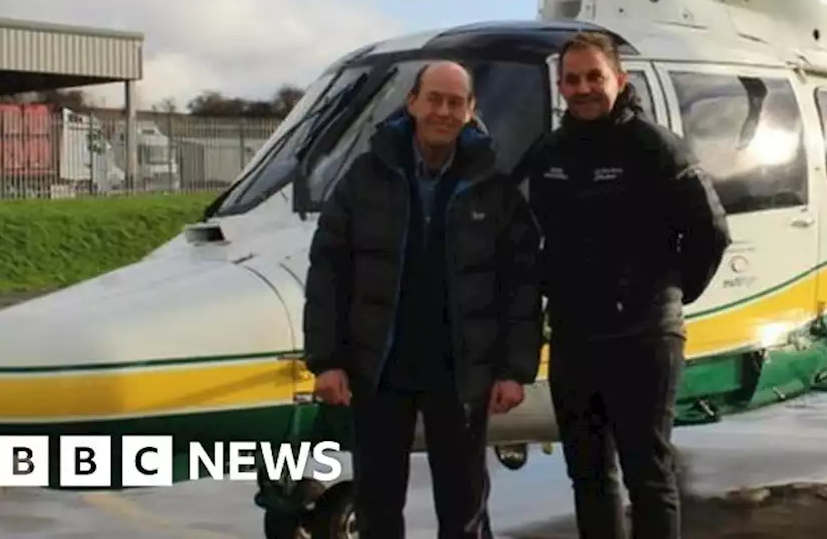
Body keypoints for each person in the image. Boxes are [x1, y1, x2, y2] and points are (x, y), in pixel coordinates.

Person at [302, 60, 543, 539]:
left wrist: (515, 371)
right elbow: (328, 269)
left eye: (456, 102)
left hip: (461, 374)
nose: (444, 111)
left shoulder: (494, 187)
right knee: (378, 508)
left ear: (471, 110)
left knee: (464, 509)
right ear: (412, 102)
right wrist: (326, 360)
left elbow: (521, 284)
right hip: (379, 370)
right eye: (434, 98)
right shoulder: (364, 177)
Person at [513, 31, 732, 539]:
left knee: (648, 477)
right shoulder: (548, 154)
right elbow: (524, 235)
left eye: (595, 76)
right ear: (560, 86)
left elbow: (711, 232)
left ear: (619, 80)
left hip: (643, 338)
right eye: (572, 79)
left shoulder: (655, 148)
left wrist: (668, 294)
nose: (583, 87)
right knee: (588, 477)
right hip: (573, 337)